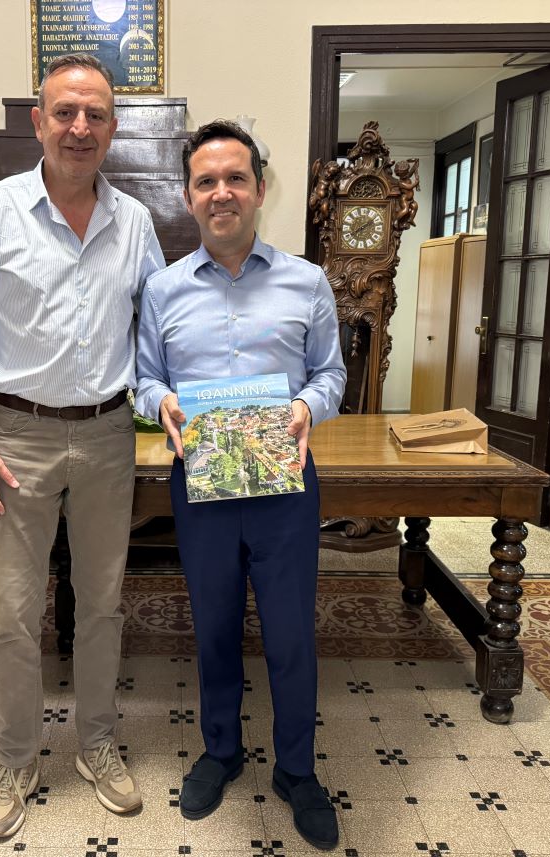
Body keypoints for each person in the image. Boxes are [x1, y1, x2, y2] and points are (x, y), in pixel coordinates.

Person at [0, 53, 164, 838]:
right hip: (18, 437)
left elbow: (159, 330)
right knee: (13, 609)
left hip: (107, 434)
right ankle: (15, 757)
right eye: (65, 112)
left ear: (112, 128)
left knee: (102, 604)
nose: (79, 126)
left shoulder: (135, 222)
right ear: (39, 122)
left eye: (95, 114)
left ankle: (96, 743)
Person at [135, 120, 345, 850]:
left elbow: (331, 374)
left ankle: (297, 769)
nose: (221, 193)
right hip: (203, 484)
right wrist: (161, 401)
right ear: (188, 196)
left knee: (290, 634)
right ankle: (221, 750)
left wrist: (306, 406)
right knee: (215, 625)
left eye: (235, 179)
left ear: (259, 188)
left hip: (284, 482)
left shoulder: (306, 281)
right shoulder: (162, 289)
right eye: (206, 181)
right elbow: (144, 378)